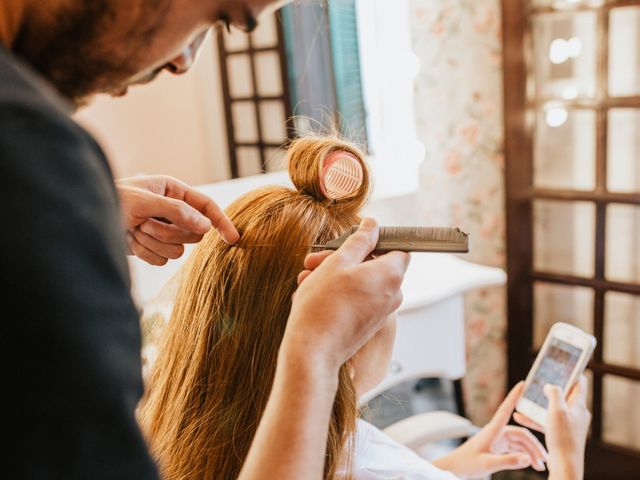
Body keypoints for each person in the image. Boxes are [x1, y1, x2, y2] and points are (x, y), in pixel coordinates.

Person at [0, 0, 590, 479]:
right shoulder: (34, 163)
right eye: (222, 16)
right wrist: (565, 464)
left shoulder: (183, 438)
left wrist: (459, 464)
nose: (183, 63)